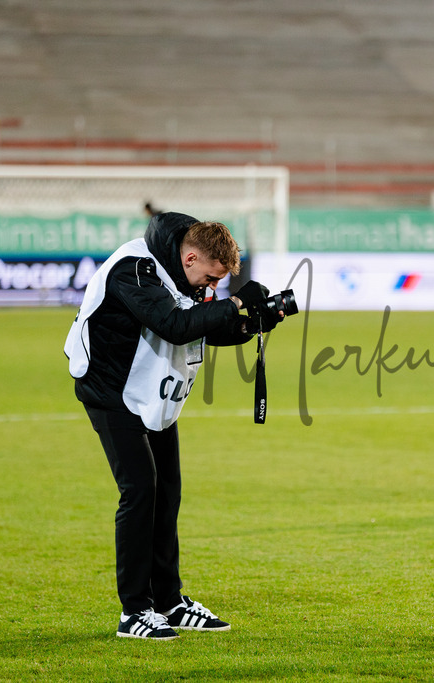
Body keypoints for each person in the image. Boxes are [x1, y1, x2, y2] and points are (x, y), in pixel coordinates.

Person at [64, 212, 284, 640]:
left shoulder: (183, 277)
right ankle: (135, 611)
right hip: (110, 389)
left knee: (167, 493)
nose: (212, 287)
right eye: (211, 277)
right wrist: (234, 303)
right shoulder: (136, 269)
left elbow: (203, 326)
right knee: (140, 490)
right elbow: (175, 326)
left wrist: (252, 322)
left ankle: (169, 601)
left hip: (153, 391)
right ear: (190, 257)